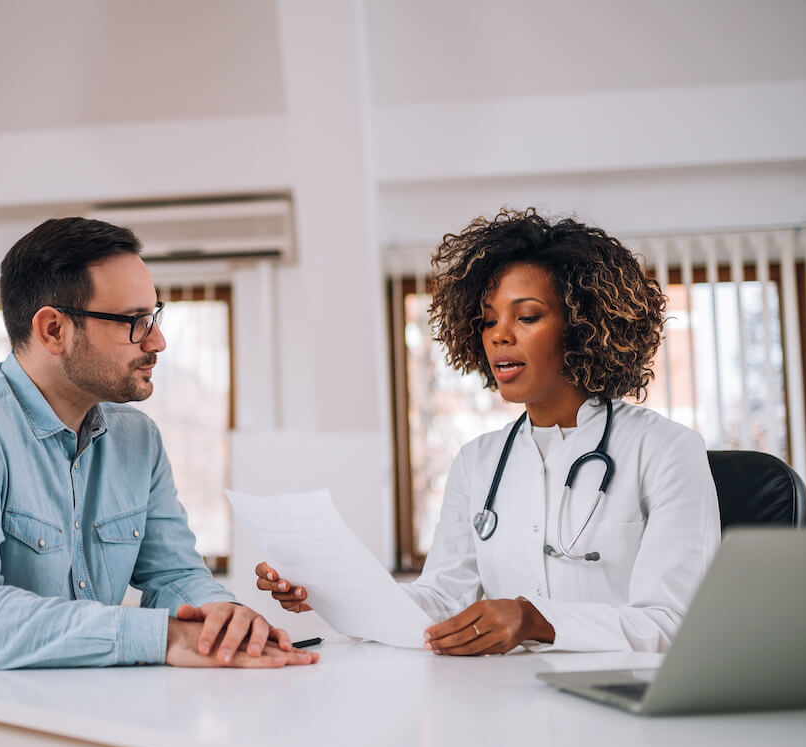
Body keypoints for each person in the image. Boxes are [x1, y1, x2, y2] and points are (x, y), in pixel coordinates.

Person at [0, 217, 316, 747]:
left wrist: (224, 622)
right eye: (135, 323)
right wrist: (160, 637)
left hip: (64, 719)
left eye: (155, 318)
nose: (157, 341)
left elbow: (175, 575)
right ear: (54, 328)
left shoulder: (137, 440)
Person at [256, 208, 720, 655]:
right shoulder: (478, 462)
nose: (499, 335)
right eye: (489, 319)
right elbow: (440, 600)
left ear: (582, 327)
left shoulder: (665, 450)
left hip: (624, 711)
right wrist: (334, 593)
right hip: (507, 706)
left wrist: (537, 621)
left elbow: (673, 622)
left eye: (527, 316)